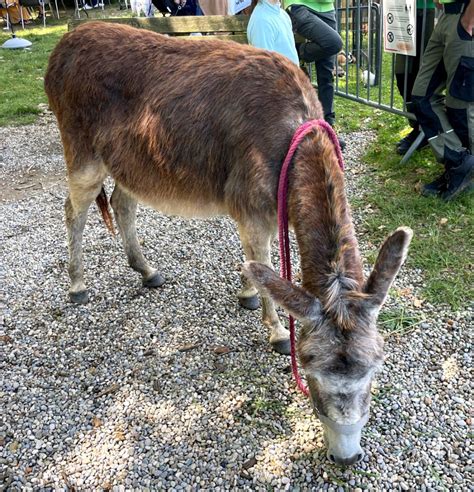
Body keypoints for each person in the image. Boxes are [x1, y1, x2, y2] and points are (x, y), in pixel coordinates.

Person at [410, 0, 473, 201]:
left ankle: (463, 170)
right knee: (422, 96)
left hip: (466, 16)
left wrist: (470, 17)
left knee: (461, 104)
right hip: (448, 15)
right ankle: (460, 162)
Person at [283, 0, 344, 148]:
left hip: (327, 8)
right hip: (300, 6)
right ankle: (298, 51)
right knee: (333, 43)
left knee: (326, 75)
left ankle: (327, 126)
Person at [395, 1, 436, 155]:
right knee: (402, 74)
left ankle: (422, 129)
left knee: (420, 72)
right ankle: (417, 125)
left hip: (425, 10)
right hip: (402, 9)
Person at [247, 0, 299, 66]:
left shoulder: (283, 14)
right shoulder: (262, 21)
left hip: (292, 74)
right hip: (280, 75)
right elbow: (264, 67)